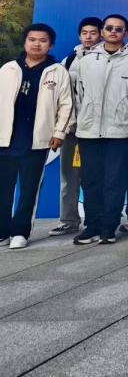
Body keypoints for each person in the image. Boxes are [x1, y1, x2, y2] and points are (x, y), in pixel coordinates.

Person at [69, 14, 128, 245]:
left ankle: (108, 227)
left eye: (118, 29)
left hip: (121, 132)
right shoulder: (85, 61)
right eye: (109, 28)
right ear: (102, 31)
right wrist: (81, 120)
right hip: (89, 131)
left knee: (115, 181)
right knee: (90, 181)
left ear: (126, 33)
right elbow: (78, 96)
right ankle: (91, 226)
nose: (113, 32)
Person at [0, 24, 73, 248]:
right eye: (32, 39)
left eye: (42, 40)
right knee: (3, 188)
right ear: (25, 42)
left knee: (29, 188)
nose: (36, 44)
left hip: (37, 139)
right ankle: (3, 231)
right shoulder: (8, 69)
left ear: (50, 45)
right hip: (6, 137)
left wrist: (59, 132)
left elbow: (66, 105)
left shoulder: (57, 71)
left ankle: (20, 232)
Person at [49, 16, 102, 238]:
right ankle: (69, 220)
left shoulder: (106, 58)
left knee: (96, 178)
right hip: (72, 128)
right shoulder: (69, 60)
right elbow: (60, 95)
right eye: (84, 33)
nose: (88, 37)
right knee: (69, 177)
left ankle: (96, 221)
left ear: (101, 34)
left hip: (97, 130)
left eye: (93, 32)